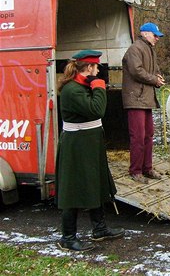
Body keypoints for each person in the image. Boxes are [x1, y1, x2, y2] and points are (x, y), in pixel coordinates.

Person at [56, 49, 124, 252]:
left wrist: (95, 87)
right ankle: (67, 237)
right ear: (89, 68)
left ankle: (99, 229)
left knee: (97, 183)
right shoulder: (72, 90)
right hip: (76, 145)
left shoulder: (83, 86)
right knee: (73, 189)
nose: (98, 71)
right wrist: (100, 88)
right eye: (96, 67)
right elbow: (97, 110)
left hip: (91, 142)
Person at [122, 22, 166, 184]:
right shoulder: (135, 49)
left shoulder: (149, 49)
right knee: (138, 137)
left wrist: (159, 76)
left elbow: (154, 69)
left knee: (149, 135)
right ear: (145, 33)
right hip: (136, 99)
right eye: (155, 35)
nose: (157, 38)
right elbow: (136, 71)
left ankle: (147, 168)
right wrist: (155, 80)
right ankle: (135, 171)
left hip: (146, 98)